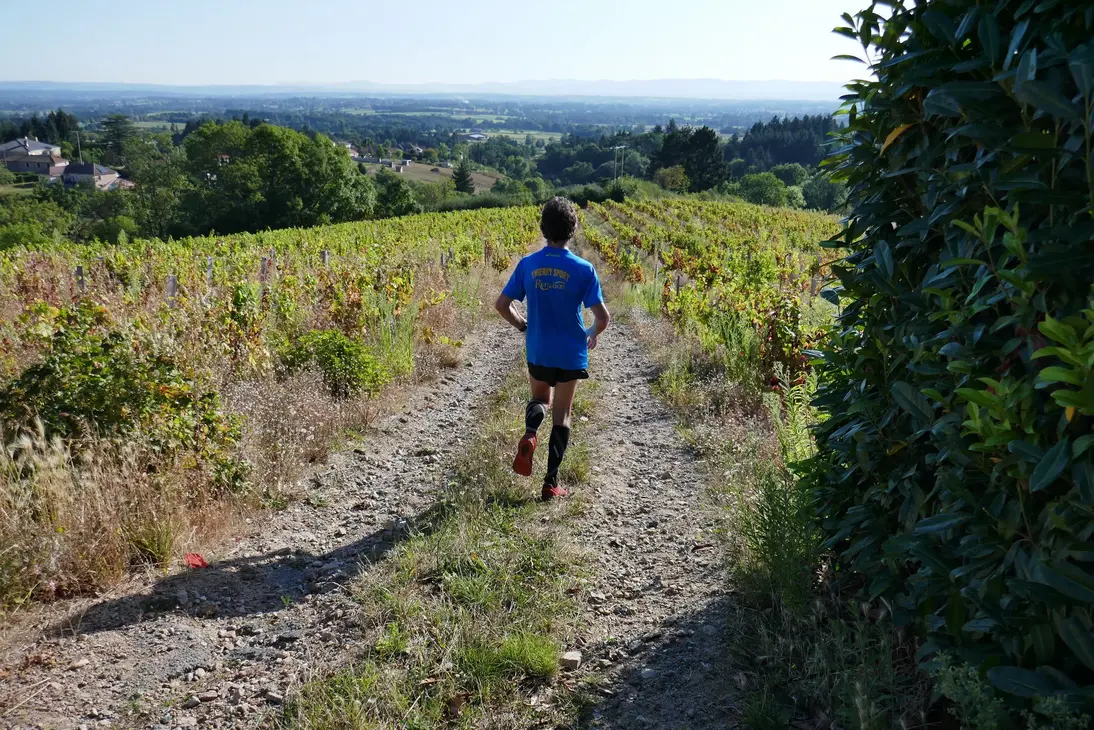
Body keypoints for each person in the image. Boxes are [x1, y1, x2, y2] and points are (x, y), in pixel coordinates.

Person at [495, 197, 611, 501]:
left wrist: (523, 325)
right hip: (571, 352)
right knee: (563, 414)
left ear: (543, 229)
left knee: (538, 399)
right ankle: (550, 483)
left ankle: (531, 434)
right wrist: (591, 334)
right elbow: (603, 318)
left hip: (539, 348)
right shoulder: (584, 269)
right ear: (572, 229)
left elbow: (502, 305)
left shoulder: (528, 265)